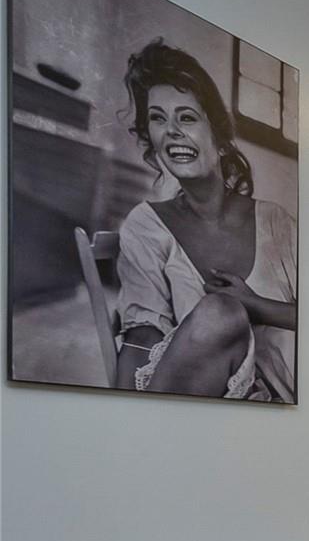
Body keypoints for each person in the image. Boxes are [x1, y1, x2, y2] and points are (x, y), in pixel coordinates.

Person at [113, 39, 296, 401]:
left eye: (187, 117)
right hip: (205, 412)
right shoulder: (145, 226)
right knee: (219, 313)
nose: (172, 131)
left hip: (292, 410)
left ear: (221, 140)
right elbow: (141, 340)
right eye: (157, 119)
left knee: (225, 310)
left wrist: (256, 306)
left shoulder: (276, 221)